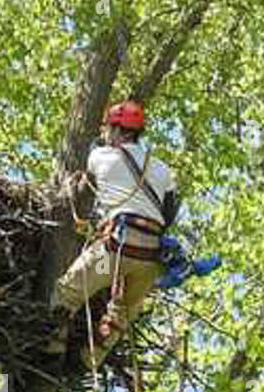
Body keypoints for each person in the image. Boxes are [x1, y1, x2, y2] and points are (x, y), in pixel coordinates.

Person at [47, 100, 178, 367]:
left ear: (117, 130)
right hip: (149, 261)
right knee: (123, 313)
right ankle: (89, 359)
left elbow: (93, 165)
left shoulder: (100, 156)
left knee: (66, 292)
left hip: (114, 250)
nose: (105, 133)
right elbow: (170, 212)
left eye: (108, 128)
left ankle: (52, 351)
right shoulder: (162, 168)